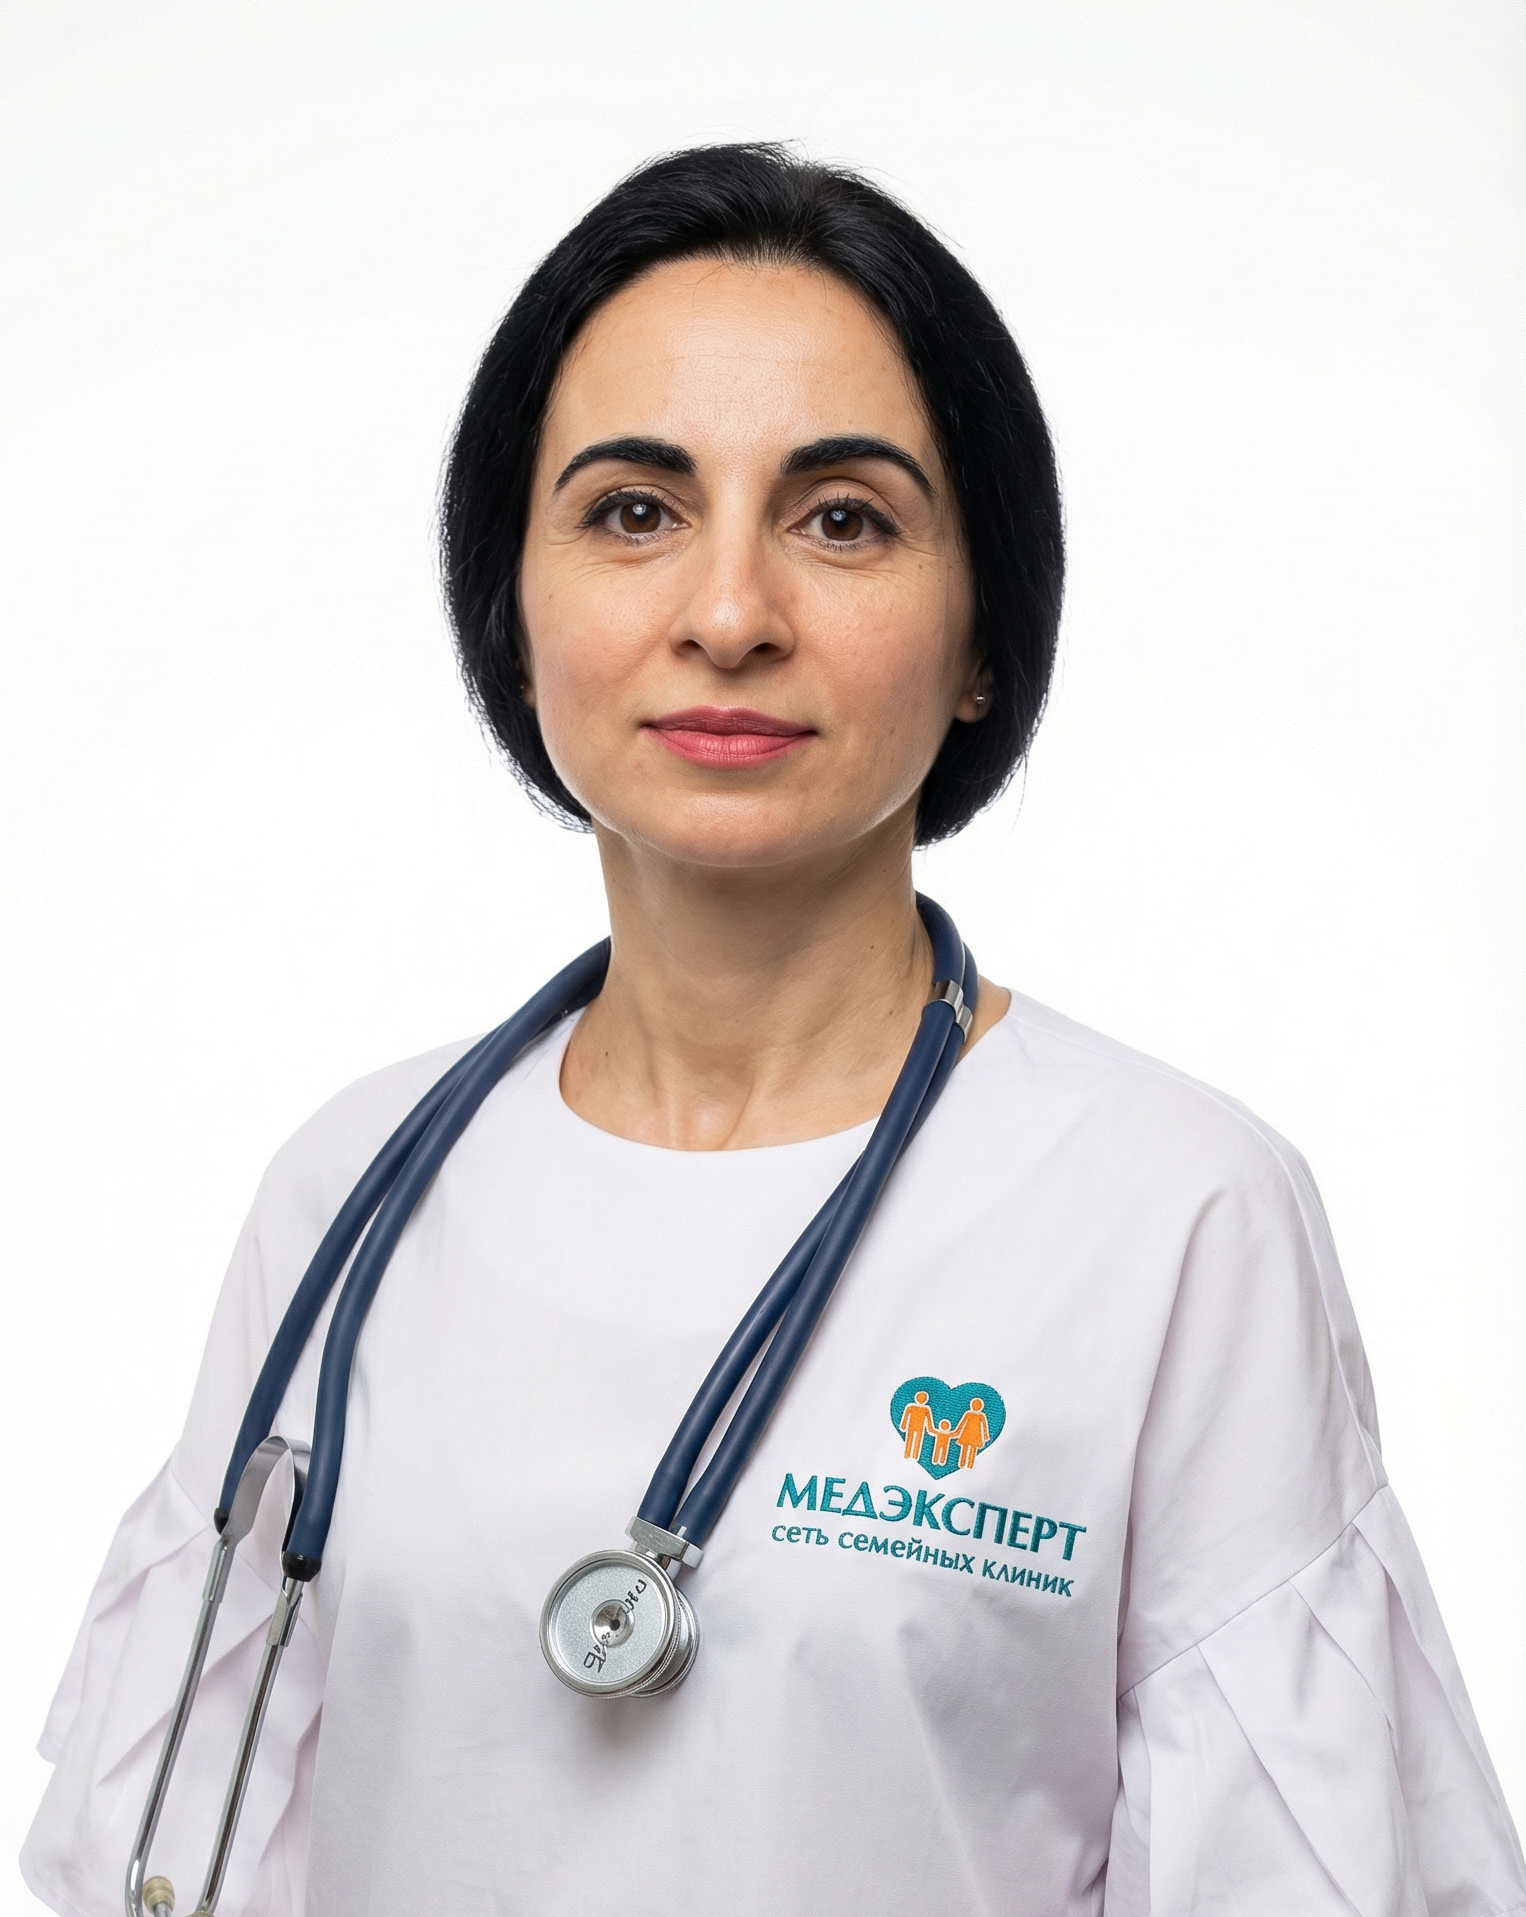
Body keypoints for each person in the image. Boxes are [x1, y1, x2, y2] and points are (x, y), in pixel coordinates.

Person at [21, 143, 1524, 1917]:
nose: (729, 616)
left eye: (843, 520)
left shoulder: (1173, 1215)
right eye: (632, 512)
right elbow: (162, 1871)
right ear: (512, 611)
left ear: (982, 634)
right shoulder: (347, 1196)